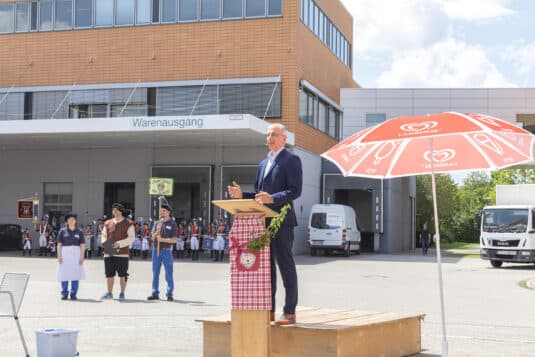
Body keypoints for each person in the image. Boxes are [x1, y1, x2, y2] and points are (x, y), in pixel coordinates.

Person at [228, 123, 302, 325]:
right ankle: (268, 310)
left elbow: (295, 191)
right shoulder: (263, 164)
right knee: (266, 268)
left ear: (284, 138)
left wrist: (273, 198)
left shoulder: (291, 160)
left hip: (282, 221)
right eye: (267, 134)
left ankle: (289, 311)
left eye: (274, 134)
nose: (269, 138)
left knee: (285, 264)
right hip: (261, 222)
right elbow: (261, 196)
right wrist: (242, 195)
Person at [100, 204, 134, 301]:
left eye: (116, 210)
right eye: (113, 210)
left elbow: (131, 238)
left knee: (122, 274)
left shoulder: (128, 223)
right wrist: (106, 244)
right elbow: (103, 235)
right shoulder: (107, 223)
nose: (114, 211)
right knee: (109, 274)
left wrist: (119, 243)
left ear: (121, 211)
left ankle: (122, 293)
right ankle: (109, 293)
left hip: (122, 253)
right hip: (108, 252)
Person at [147, 201, 178, 301]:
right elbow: (151, 238)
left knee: (169, 272)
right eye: (161, 211)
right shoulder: (157, 223)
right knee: (155, 272)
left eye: (164, 211)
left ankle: (169, 293)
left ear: (168, 212)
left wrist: (163, 240)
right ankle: (155, 293)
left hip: (166, 251)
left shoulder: (172, 224)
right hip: (156, 250)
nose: (162, 213)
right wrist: (157, 232)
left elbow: (174, 239)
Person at [56, 213, 86, 300]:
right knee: (64, 274)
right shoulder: (62, 231)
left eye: (73, 219)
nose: (71, 221)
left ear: (75, 221)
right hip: (65, 254)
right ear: (67, 221)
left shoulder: (79, 232)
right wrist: (59, 256)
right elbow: (59, 245)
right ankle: (64, 293)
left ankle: (73, 294)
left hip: (76, 255)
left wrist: (82, 256)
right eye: (69, 220)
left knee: (75, 274)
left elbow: (82, 245)